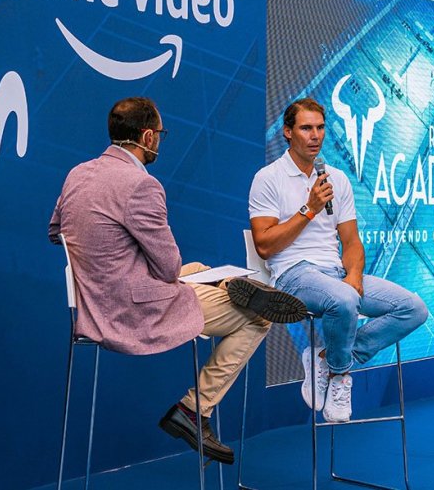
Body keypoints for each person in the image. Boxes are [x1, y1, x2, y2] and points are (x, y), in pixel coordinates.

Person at [49, 96, 306, 464]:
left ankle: (221, 285)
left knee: (198, 269)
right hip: (130, 311)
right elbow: (168, 269)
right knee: (259, 317)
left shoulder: (78, 174)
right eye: (161, 135)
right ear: (148, 137)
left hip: (91, 302)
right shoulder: (141, 185)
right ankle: (193, 410)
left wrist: (110, 257)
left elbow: (55, 231)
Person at [248, 97, 428, 422]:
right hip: (292, 275)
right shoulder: (268, 178)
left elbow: (351, 242)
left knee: (413, 308)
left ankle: (326, 357)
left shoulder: (337, 179)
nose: (315, 135)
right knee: (343, 300)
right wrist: (309, 209)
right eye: (306, 128)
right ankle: (341, 376)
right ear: (288, 132)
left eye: (319, 128)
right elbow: (264, 245)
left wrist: (355, 274)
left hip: (335, 273)